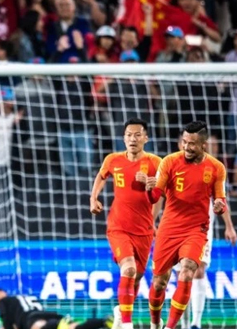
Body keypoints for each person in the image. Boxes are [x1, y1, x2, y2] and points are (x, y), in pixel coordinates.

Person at [145, 121, 227, 329]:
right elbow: (156, 196)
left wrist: (219, 207)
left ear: (203, 145)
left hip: (196, 230)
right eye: (184, 142)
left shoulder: (217, 168)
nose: (187, 147)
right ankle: (155, 323)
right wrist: (149, 189)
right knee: (159, 283)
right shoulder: (169, 162)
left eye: (192, 143)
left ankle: (173, 326)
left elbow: (220, 200)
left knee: (189, 271)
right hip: (169, 229)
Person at [90, 119, 162, 329]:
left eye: (137, 135)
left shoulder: (156, 163)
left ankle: (121, 313)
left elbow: (162, 194)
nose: (133, 139)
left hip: (144, 230)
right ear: (124, 138)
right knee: (128, 269)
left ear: (146, 138)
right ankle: (128, 324)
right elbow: (101, 176)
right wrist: (93, 198)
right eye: (129, 135)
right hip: (118, 227)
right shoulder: (113, 159)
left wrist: (152, 185)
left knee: (136, 276)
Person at [0, 289, 109, 329]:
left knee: (38, 327)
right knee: (73, 327)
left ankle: (59, 324)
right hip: (46, 314)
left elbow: (6, 319)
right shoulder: (22, 298)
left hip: (31, 318)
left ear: (1, 293)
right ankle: (105, 322)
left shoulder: (3, 301)